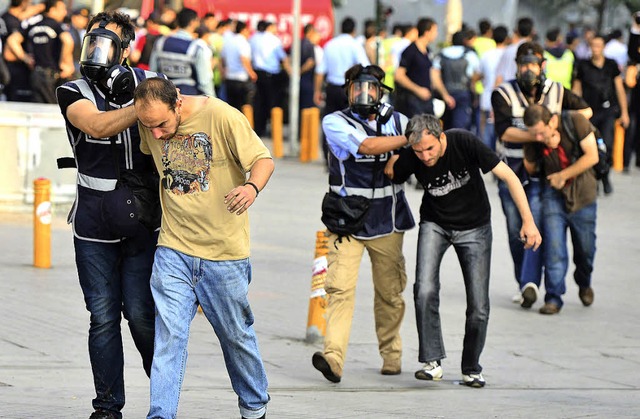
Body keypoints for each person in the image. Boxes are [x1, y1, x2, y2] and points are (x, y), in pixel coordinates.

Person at [133, 76, 273, 419]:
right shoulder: (149, 123)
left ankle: (254, 407)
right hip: (173, 249)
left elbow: (264, 160)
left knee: (236, 337)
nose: (156, 135)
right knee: (168, 338)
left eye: (162, 124)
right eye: (148, 126)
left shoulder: (223, 117)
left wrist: (252, 188)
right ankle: (160, 414)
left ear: (178, 102)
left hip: (224, 255)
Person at [55, 10, 164, 419]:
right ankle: (107, 407)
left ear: (126, 49)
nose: (98, 47)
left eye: (109, 40)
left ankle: (164, 396)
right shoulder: (72, 89)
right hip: (94, 223)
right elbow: (97, 126)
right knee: (102, 317)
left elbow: (179, 119)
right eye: (93, 38)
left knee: (141, 316)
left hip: (142, 222)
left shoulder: (150, 82)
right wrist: (146, 106)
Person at [386, 113, 541, 387]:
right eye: (418, 151)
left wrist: (528, 221)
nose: (425, 157)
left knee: (479, 304)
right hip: (435, 224)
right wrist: (397, 155)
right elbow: (392, 172)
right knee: (424, 289)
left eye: (430, 149)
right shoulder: (413, 154)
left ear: (441, 136)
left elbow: (509, 176)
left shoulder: (465, 142)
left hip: (475, 227)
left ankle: (471, 366)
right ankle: (432, 362)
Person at [312, 64, 415, 383]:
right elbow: (366, 147)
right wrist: (403, 144)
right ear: (348, 91)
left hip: (388, 220)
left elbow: (419, 149)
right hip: (346, 221)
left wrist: (402, 156)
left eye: (371, 88)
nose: (364, 94)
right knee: (340, 289)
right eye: (357, 88)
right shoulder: (335, 121)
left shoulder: (399, 121)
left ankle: (391, 354)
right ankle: (334, 358)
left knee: (390, 293)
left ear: (382, 90)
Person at [492, 42, 592, 306]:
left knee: (536, 226)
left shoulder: (556, 90)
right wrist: (539, 134)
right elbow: (504, 131)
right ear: (516, 65)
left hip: (541, 174)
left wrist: (561, 124)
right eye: (523, 64)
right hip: (510, 171)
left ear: (542, 65)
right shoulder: (503, 93)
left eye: (533, 63)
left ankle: (532, 283)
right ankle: (523, 282)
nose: (528, 69)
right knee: (516, 228)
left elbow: (586, 111)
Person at [523, 104, 599, 314]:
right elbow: (530, 167)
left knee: (585, 249)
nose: (538, 136)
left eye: (541, 131)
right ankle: (554, 297)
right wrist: (539, 144)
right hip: (553, 197)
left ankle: (584, 282)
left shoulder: (575, 121)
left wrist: (563, 175)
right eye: (533, 133)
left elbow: (592, 156)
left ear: (552, 121)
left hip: (583, 195)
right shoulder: (535, 139)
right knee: (554, 248)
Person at [573, 33, 629, 194]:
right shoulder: (583, 65)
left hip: (608, 111)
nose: (596, 49)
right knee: (589, 146)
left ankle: (604, 174)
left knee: (607, 145)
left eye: (599, 46)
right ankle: (595, 179)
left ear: (604, 47)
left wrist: (624, 112)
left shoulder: (611, 65)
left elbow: (619, 89)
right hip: (589, 112)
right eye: (593, 46)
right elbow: (577, 90)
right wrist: (576, 111)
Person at [7, 0, 74, 103]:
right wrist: (64, 62)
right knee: (53, 111)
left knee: (38, 111)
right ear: (52, 10)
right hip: (53, 74)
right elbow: (68, 41)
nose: (64, 12)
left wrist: (26, 58)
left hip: (36, 73)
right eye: (62, 9)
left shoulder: (33, 24)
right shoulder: (56, 25)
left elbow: (12, 40)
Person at [150, 7, 214, 97]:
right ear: (193, 22)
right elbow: (204, 82)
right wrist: (212, 101)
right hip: (189, 99)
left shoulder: (160, 42)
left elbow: (152, 73)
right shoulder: (196, 47)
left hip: (164, 97)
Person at [430, 30, 481, 130]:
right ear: (465, 41)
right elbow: (476, 75)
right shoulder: (469, 54)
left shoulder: (441, 54)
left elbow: (434, 76)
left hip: (445, 94)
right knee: (461, 126)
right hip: (463, 94)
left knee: (446, 126)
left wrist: (444, 94)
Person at [250, 20, 291, 137]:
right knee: (273, 103)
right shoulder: (274, 40)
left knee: (259, 103)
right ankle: (274, 131)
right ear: (270, 27)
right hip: (271, 76)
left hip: (257, 74)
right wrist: (291, 74)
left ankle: (259, 129)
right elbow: (283, 58)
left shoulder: (253, 38)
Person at [394, 17, 439, 117]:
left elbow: (433, 74)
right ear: (427, 32)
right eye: (435, 31)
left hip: (427, 101)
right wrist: (418, 90)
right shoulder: (410, 51)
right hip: (412, 101)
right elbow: (399, 75)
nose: (436, 34)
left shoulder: (428, 51)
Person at [0, 0, 45, 102]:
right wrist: (26, 58)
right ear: (23, 2)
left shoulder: (6, 17)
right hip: (14, 68)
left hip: (14, 68)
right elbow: (9, 50)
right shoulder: (11, 21)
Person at [221, 20, 256, 111]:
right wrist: (252, 73)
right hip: (241, 79)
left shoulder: (228, 41)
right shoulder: (243, 42)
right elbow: (244, 59)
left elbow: (222, 59)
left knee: (231, 108)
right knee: (243, 108)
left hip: (229, 78)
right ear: (243, 30)